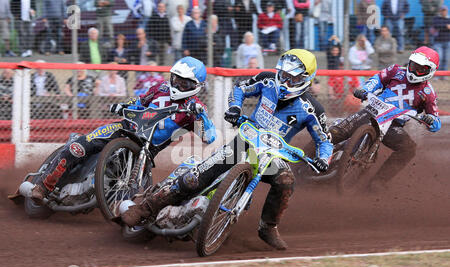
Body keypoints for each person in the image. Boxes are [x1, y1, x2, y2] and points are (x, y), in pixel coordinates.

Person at [121, 49, 333, 250]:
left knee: (286, 181)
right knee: (198, 176)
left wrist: (324, 158)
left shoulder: (312, 109)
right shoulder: (267, 80)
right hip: (245, 142)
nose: (285, 81)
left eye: (293, 78)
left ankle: (268, 227)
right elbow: (240, 88)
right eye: (284, 74)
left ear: (306, 79)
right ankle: (145, 209)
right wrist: (234, 108)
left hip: (272, 155)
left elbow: (325, 140)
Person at [30, 56, 216, 205]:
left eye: (184, 84)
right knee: (79, 146)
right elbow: (138, 102)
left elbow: (210, 137)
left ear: (196, 87)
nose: (178, 85)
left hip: (146, 150)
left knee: (134, 189)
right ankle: (43, 185)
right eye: (176, 79)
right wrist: (122, 106)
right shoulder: (159, 88)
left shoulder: (196, 109)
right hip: (124, 128)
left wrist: (201, 116)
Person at [329, 46, 442, 192]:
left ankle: (379, 182)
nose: (414, 71)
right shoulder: (395, 70)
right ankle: (310, 153)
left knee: (408, 149)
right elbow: (378, 78)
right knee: (336, 133)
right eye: (413, 66)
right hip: (371, 111)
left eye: (420, 69)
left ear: (430, 71)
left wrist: (431, 120)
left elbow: (436, 121)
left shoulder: (428, 92)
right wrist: (366, 89)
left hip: (392, 125)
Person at [147, 2, 172, 66]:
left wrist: (169, 42)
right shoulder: (153, 17)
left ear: (165, 8)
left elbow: (168, 30)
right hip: (155, 41)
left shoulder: (167, 18)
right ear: (157, 8)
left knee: (163, 58)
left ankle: (161, 74)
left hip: (164, 42)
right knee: (155, 58)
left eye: (162, 7)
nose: (161, 8)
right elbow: (150, 29)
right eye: (159, 7)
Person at [432, 5, 450, 72]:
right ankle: (437, 74)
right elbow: (436, 25)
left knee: (446, 59)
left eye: (444, 10)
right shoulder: (436, 18)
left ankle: (444, 74)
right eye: (442, 10)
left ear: (447, 11)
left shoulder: (449, 18)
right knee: (439, 58)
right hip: (438, 42)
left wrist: (442, 26)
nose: (443, 12)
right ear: (440, 11)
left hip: (448, 41)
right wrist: (446, 26)